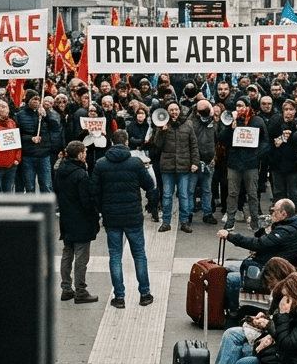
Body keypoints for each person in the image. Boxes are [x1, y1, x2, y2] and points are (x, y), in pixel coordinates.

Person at [89, 129, 156, 309]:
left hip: (111, 217)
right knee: (139, 255)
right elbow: (149, 185)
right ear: (126, 142)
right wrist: (146, 169)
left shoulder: (101, 163)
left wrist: (101, 210)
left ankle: (119, 297)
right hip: (133, 215)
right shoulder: (135, 162)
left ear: (111, 142)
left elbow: (93, 190)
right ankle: (145, 294)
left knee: (115, 256)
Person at [212, 257, 297, 364]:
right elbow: (278, 319)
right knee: (230, 334)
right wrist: (266, 317)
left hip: (275, 342)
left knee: (235, 340)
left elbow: (284, 327)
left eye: (270, 282)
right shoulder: (283, 292)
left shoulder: (289, 298)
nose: (269, 287)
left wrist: (267, 324)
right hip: (273, 334)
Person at [218, 198, 297, 311]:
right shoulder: (289, 225)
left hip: (271, 273)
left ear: (283, 213)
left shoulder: (284, 232)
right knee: (225, 266)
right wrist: (267, 229)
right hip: (268, 264)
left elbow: (258, 244)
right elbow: (262, 240)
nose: (272, 214)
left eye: (274, 211)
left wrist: (230, 236)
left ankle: (234, 313)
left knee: (232, 278)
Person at [56, 140, 99, 304]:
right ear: (80, 154)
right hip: (81, 219)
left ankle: (66, 289)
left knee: (67, 253)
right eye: (85, 152)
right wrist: (95, 216)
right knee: (81, 257)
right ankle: (80, 290)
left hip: (67, 217)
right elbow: (86, 200)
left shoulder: (60, 169)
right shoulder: (80, 174)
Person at [151, 101, 198, 232]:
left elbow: (193, 145)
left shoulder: (188, 124)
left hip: (184, 166)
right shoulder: (162, 125)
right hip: (167, 166)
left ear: (180, 110)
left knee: (183, 195)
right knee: (166, 195)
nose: (174, 112)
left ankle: (185, 222)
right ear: (167, 111)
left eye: (176, 110)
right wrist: (161, 131)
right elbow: (157, 145)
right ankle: (166, 222)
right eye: (171, 110)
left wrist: (195, 162)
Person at [221, 98, 268, 229]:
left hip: (250, 164)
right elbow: (222, 139)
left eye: (242, 105)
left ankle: (254, 220)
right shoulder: (232, 120)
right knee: (232, 193)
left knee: (252, 193)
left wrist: (257, 153)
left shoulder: (257, 121)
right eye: (237, 105)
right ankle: (230, 219)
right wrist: (230, 128)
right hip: (234, 163)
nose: (239, 108)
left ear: (248, 107)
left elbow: (265, 140)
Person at [17, 93, 61, 195]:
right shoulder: (20, 115)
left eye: (38, 99)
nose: (36, 101)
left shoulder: (45, 113)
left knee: (46, 185)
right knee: (30, 186)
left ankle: (45, 209)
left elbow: (55, 127)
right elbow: (18, 134)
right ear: (28, 101)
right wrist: (30, 138)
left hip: (44, 155)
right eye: (33, 99)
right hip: (28, 155)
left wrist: (47, 114)